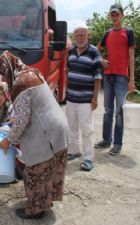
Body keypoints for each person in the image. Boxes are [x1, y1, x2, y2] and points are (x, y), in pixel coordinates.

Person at [0, 51, 68, 219]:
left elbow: (22, 119)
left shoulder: (22, 84)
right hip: (58, 126)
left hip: (46, 132)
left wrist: (8, 141)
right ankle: (45, 201)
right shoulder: (32, 72)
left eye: (5, 74)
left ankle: (36, 210)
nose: (5, 78)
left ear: (10, 68)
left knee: (35, 172)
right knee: (50, 168)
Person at [95, 3, 135, 155]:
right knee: (107, 110)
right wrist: (101, 60)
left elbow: (131, 56)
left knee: (119, 111)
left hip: (122, 77)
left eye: (117, 14)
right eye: (112, 14)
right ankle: (106, 140)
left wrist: (131, 80)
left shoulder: (128, 32)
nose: (115, 16)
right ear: (109, 16)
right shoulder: (107, 33)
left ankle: (117, 143)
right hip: (108, 76)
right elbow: (96, 50)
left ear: (122, 15)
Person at [66, 23, 102, 171]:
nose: (80, 37)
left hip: (86, 100)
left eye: (83, 34)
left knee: (87, 129)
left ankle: (88, 159)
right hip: (70, 98)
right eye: (78, 35)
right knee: (71, 127)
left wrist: (95, 98)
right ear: (75, 36)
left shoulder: (94, 52)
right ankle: (74, 151)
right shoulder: (72, 51)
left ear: (88, 35)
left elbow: (98, 76)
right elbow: (68, 71)